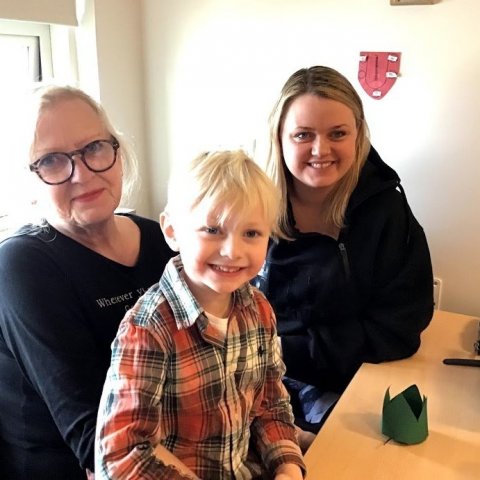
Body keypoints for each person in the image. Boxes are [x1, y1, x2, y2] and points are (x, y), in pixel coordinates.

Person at [95, 150, 306, 480]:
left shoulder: (259, 311)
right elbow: (122, 456)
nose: (232, 251)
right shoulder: (148, 329)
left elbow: (270, 405)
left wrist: (287, 466)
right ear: (172, 231)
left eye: (251, 233)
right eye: (212, 229)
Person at [0, 85, 174, 479]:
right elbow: (99, 444)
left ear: (117, 152)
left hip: (179, 446)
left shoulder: (161, 240)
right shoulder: (21, 266)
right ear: (28, 180)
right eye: (51, 160)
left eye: (94, 147)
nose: (82, 174)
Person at [253, 66, 434, 435]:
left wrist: (286, 350)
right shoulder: (248, 203)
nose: (321, 150)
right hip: (252, 377)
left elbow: (400, 328)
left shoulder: (386, 209)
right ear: (279, 137)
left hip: (352, 381)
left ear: (359, 135)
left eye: (337, 133)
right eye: (303, 135)